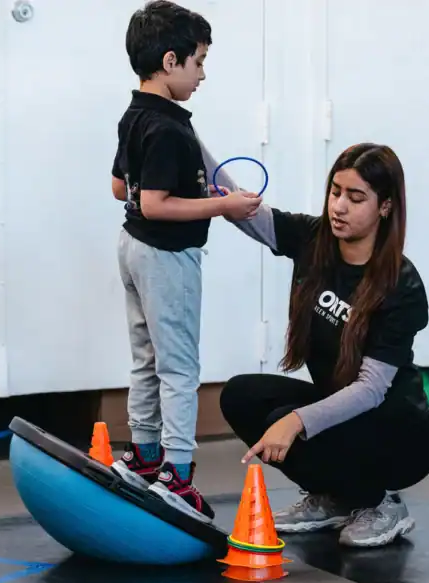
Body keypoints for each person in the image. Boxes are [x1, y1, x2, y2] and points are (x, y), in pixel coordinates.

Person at [203, 141, 429, 547]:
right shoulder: (314, 238)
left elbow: (370, 390)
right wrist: (188, 137)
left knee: (287, 419)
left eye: (356, 197)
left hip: (401, 433)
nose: (339, 206)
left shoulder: (401, 283)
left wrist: (295, 421)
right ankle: (336, 499)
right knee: (242, 396)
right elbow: (243, 210)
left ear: (384, 207)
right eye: (335, 192)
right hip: (347, 412)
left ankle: (381, 503)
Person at [109, 0, 263, 524]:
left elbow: (119, 189)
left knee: (146, 358)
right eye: (198, 62)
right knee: (178, 366)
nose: (201, 75)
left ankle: (145, 456)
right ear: (171, 61)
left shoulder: (134, 116)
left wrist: (194, 188)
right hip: (166, 256)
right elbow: (156, 203)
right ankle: (177, 474)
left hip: (131, 248)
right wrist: (223, 204)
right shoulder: (173, 129)